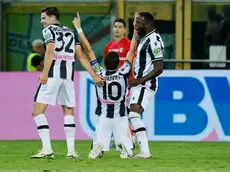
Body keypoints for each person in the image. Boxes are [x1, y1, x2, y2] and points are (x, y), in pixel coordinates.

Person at [30, 7, 103, 159]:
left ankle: (47, 149)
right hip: (68, 77)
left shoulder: (48, 30)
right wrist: (94, 75)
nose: (42, 21)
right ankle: (71, 151)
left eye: (44, 18)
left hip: (52, 75)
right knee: (68, 111)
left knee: (37, 111)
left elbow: (50, 51)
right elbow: (81, 56)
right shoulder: (70, 31)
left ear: (52, 18)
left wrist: (44, 73)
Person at [72, 13, 136, 159]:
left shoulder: (99, 73)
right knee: (127, 151)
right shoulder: (123, 72)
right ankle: (123, 147)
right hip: (120, 116)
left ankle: (98, 146)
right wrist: (136, 30)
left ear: (105, 62)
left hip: (104, 116)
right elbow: (132, 51)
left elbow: (87, 52)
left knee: (96, 146)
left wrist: (79, 29)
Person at [128, 12, 164, 158]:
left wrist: (140, 80)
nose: (136, 24)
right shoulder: (145, 38)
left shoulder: (154, 40)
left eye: (139, 22)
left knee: (133, 115)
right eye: (135, 21)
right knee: (129, 115)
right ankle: (131, 145)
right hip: (140, 83)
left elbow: (159, 67)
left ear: (148, 24)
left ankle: (144, 152)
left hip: (146, 84)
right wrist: (135, 29)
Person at [104, 18, 136, 149]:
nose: (117, 29)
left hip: (127, 84)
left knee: (126, 112)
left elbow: (133, 62)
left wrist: (134, 78)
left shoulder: (129, 44)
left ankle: (130, 139)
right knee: (117, 113)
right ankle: (123, 139)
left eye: (120, 27)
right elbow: (107, 67)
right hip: (114, 85)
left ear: (124, 30)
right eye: (115, 26)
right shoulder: (108, 46)